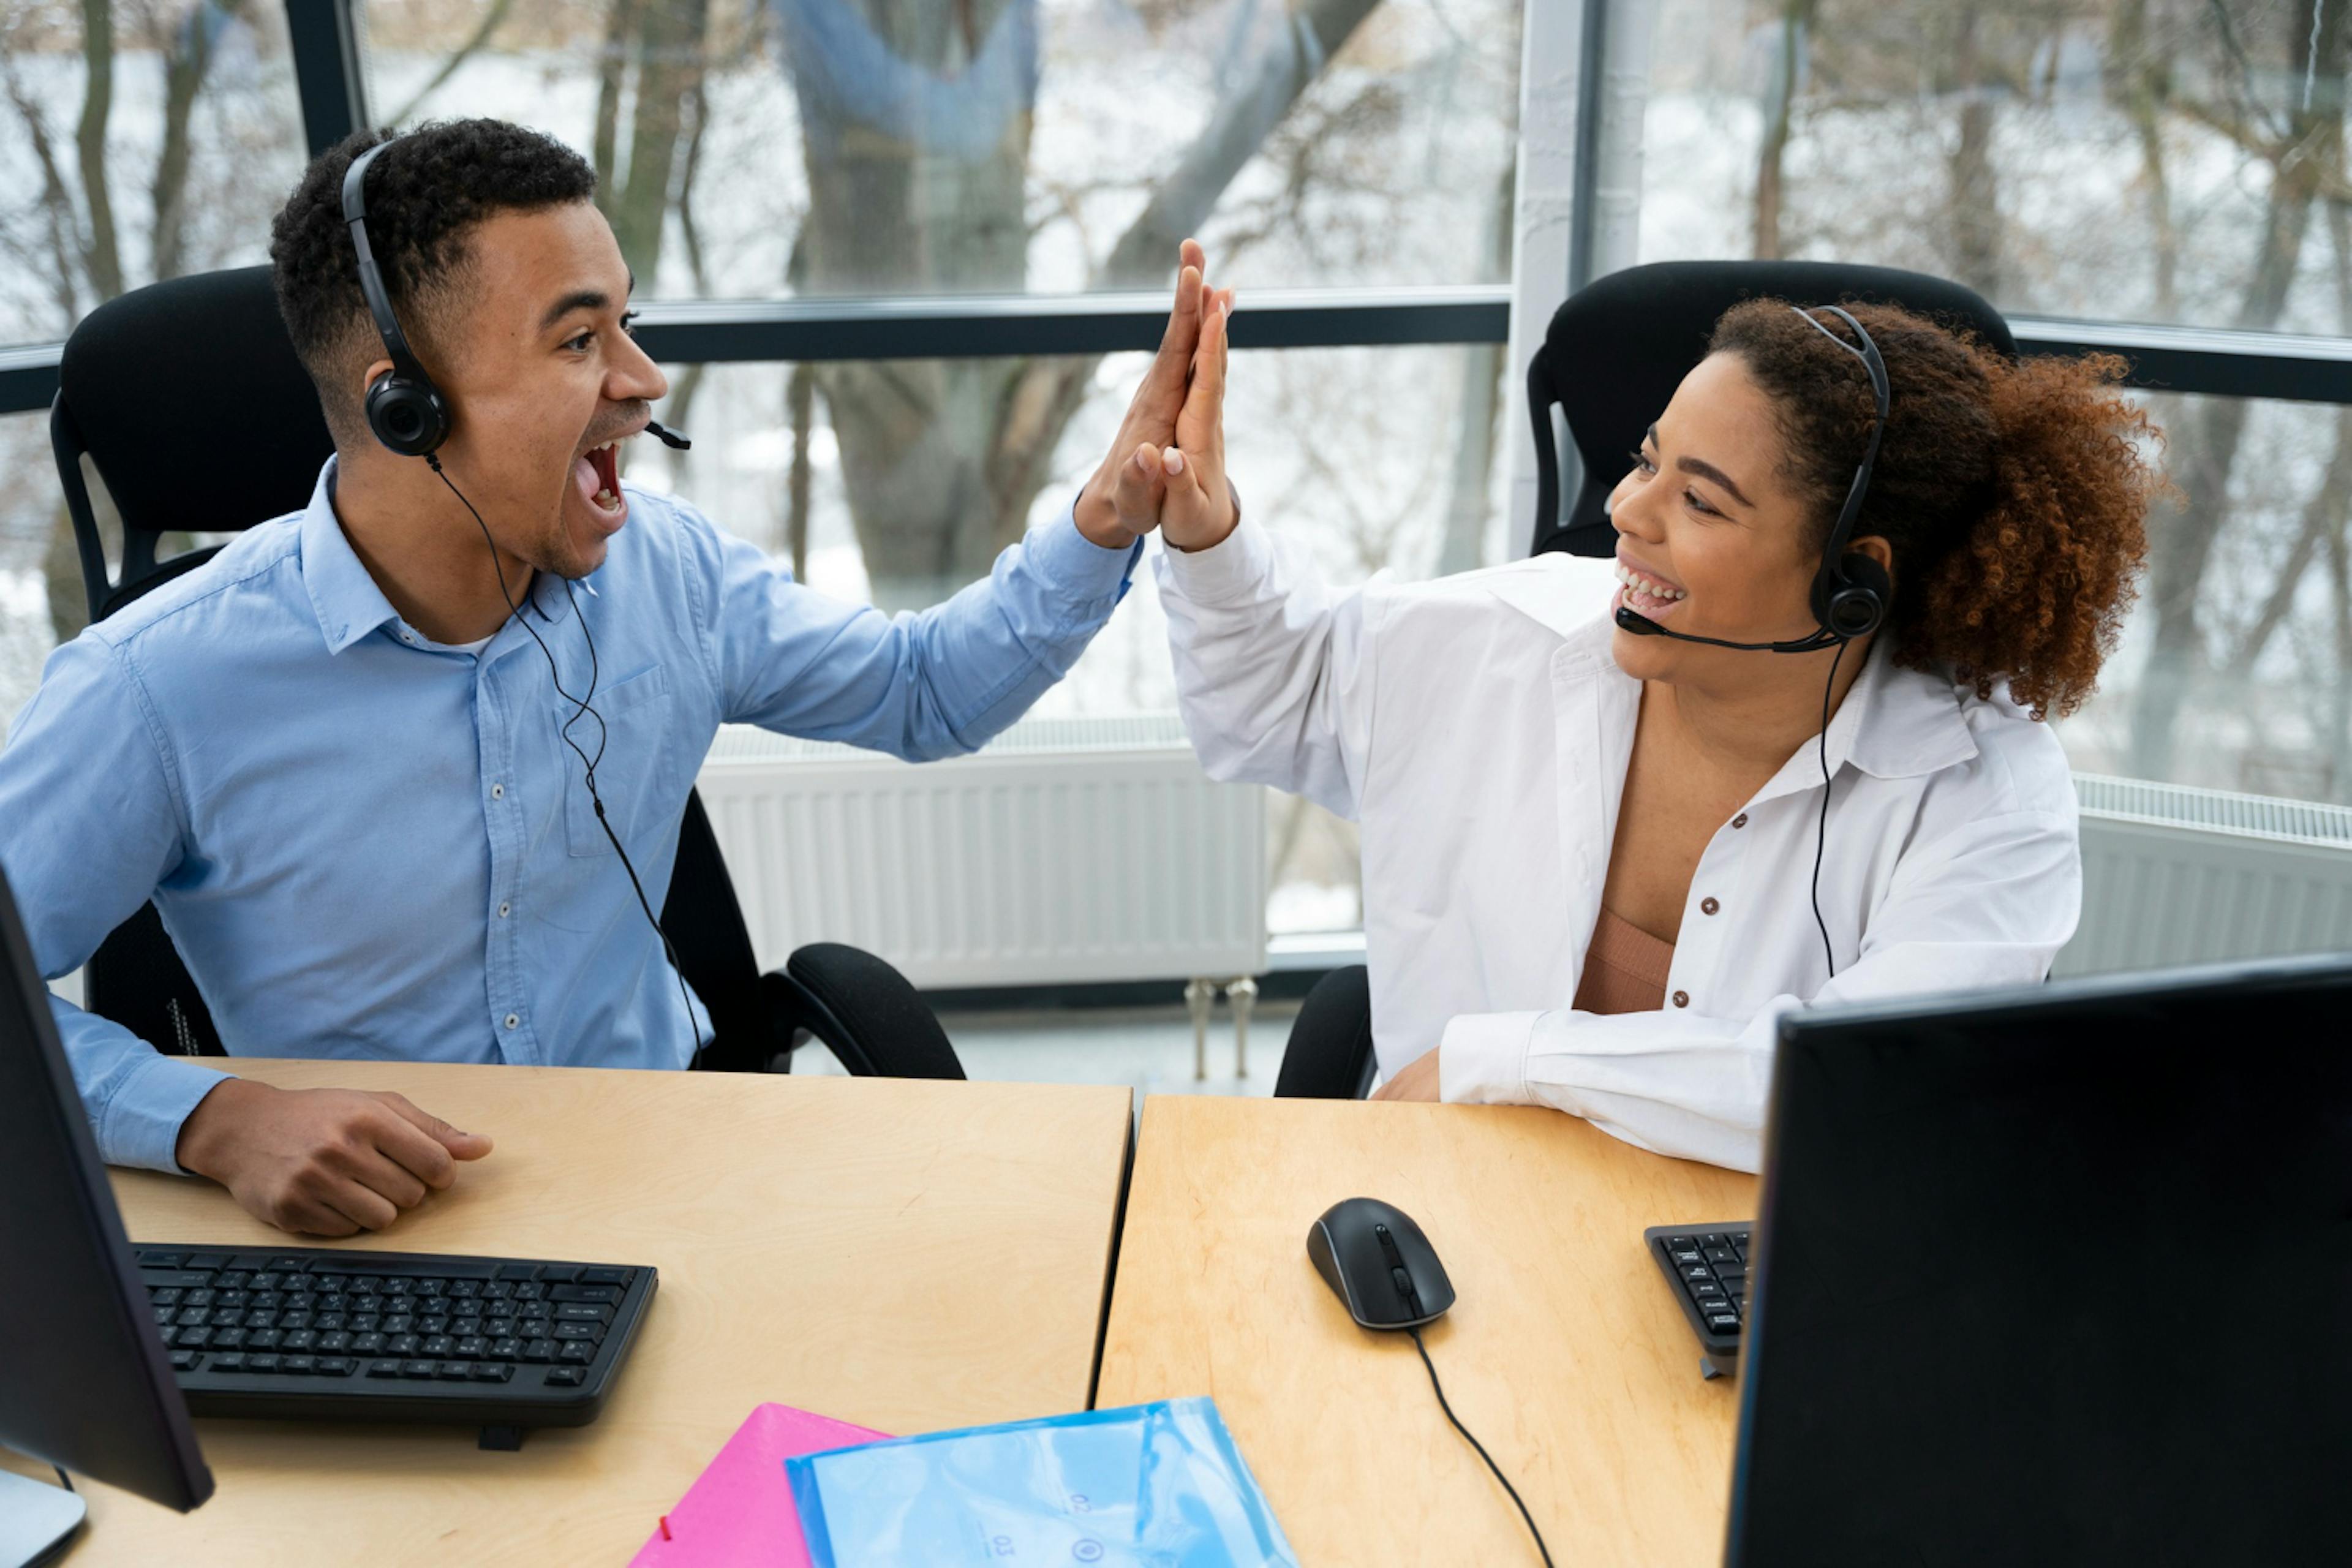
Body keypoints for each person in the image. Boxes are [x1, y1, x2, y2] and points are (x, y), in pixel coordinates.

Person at [0, 119, 1231, 1235]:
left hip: (675, 1172)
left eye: (624, 325)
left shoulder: (669, 574)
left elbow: (926, 690)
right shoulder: (151, 687)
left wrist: (1107, 516)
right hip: (377, 1227)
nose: (643, 382)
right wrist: (212, 1117)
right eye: (581, 340)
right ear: (407, 406)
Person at [1124, 293, 2158, 1170]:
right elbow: (1271, 698)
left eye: (1700, 502)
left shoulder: (1985, 790)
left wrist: (1514, 1062)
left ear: (1855, 580)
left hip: (1752, 1257)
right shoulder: (1504, 638)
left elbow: (1874, 1089)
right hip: (1465, 1203)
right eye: (1646, 460)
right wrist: (1205, 531)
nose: (1626, 510)